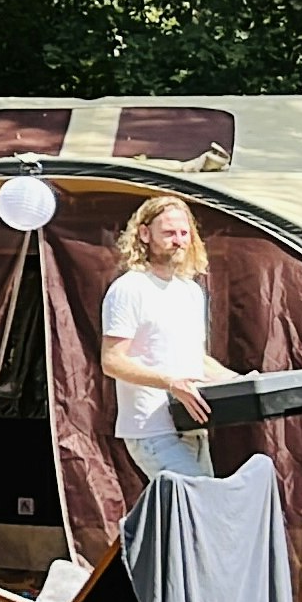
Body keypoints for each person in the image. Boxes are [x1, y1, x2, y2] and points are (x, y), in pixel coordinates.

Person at [99, 194, 239, 480]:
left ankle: (139, 527)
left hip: (190, 425)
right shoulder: (129, 289)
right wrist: (169, 383)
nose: (178, 240)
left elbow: (195, 360)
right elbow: (112, 361)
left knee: (188, 514)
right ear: (144, 234)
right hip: (151, 427)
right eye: (169, 233)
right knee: (198, 504)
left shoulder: (189, 291)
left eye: (184, 233)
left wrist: (241, 381)